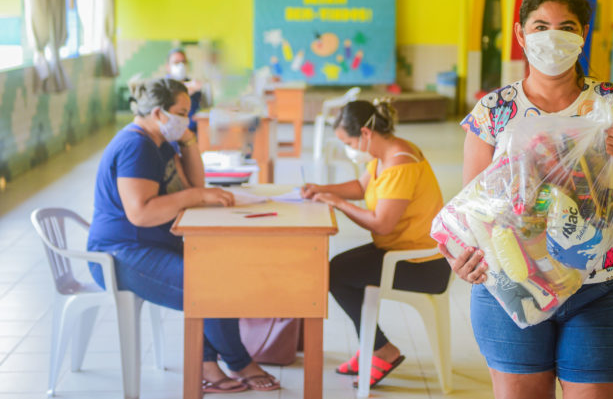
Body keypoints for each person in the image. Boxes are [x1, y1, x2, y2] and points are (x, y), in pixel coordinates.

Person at [443, 0, 613, 399]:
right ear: (520, 34)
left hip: (599, 288)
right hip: (512, 287)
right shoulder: (494, 111)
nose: (552, 37)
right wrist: (462, 258)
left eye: (566, 26)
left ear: (583, 34)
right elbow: (473, 213)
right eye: (540, 25)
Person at [87, 77, 280, 393]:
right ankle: (238, 361)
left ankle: (207, 365)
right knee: (210, 285)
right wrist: (196, 197)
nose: (186, 119)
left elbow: (194, 185)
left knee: (219, 271)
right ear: (159, 113)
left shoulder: (159, 142)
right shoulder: (137, 146)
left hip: (147, 246)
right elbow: (142, 213)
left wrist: (188, 139)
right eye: (181, 113)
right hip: (120, 255)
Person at [300, 99, 451, 388]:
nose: (350, 148)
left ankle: (382, 349)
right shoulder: (385, 153)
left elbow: (382, 223)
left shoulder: (400, 163)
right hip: (399, 250)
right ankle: (372, 346)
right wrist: (322, 189)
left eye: (349, 141)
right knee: (338, 270)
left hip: (422, 264)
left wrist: (338, 203)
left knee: (336, 274)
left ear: (365, 134)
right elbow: (361, 187)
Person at [166, 47, 204, 133]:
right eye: (176, 62)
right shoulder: (163, 86)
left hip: (194, 133)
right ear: (168, 67)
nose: (181, 66)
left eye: (183, 62)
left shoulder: (195, 86)